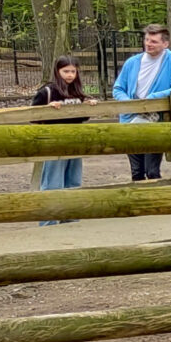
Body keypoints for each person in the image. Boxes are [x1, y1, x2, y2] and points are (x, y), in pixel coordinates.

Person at [109, 24, 171, 181]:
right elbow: (118, 88)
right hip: (130, 119)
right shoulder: (132, 62)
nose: (148, 44)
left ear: (165, 44)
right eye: (147, 40)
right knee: (137, 171)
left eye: (153, 41)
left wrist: (152, 98)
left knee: (152, 170)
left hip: (155, 120)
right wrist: (129, 103)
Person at [32, 57, 99, 224]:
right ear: (57, 71)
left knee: (73, 181)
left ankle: (71, 219)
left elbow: (82, 117)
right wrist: (48, 110)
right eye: (66, 71)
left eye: (73, 71)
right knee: (53, 182)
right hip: (54, 143)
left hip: (75, 143)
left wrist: (88, 105)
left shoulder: (78, 92)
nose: (70, 75)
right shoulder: (47, 91)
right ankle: (49, 222)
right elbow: (32, 116)